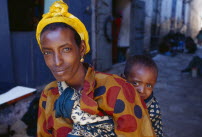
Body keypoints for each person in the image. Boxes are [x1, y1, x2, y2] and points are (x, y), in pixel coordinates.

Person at [36, 0, 156, 137]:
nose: (57, 62)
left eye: (66, 49)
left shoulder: (117, 90)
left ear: (81, 49)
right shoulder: (49, 94)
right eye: (48, 52)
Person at [123, 55, 163, 137]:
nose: (141, 90)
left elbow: (157, 132)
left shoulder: (153, 108)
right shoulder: (115, 95)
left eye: (148, 86)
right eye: (135, 83)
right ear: (123, 79)